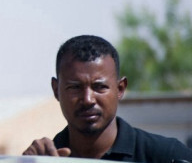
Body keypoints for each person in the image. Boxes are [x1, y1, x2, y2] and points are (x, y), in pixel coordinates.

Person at [22, 35, 192, 162]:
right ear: (56, 90)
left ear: (120, 89)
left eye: (99, 87)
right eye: (75, 87)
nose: (88, 99)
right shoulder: (46, 159)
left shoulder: (166, 156)